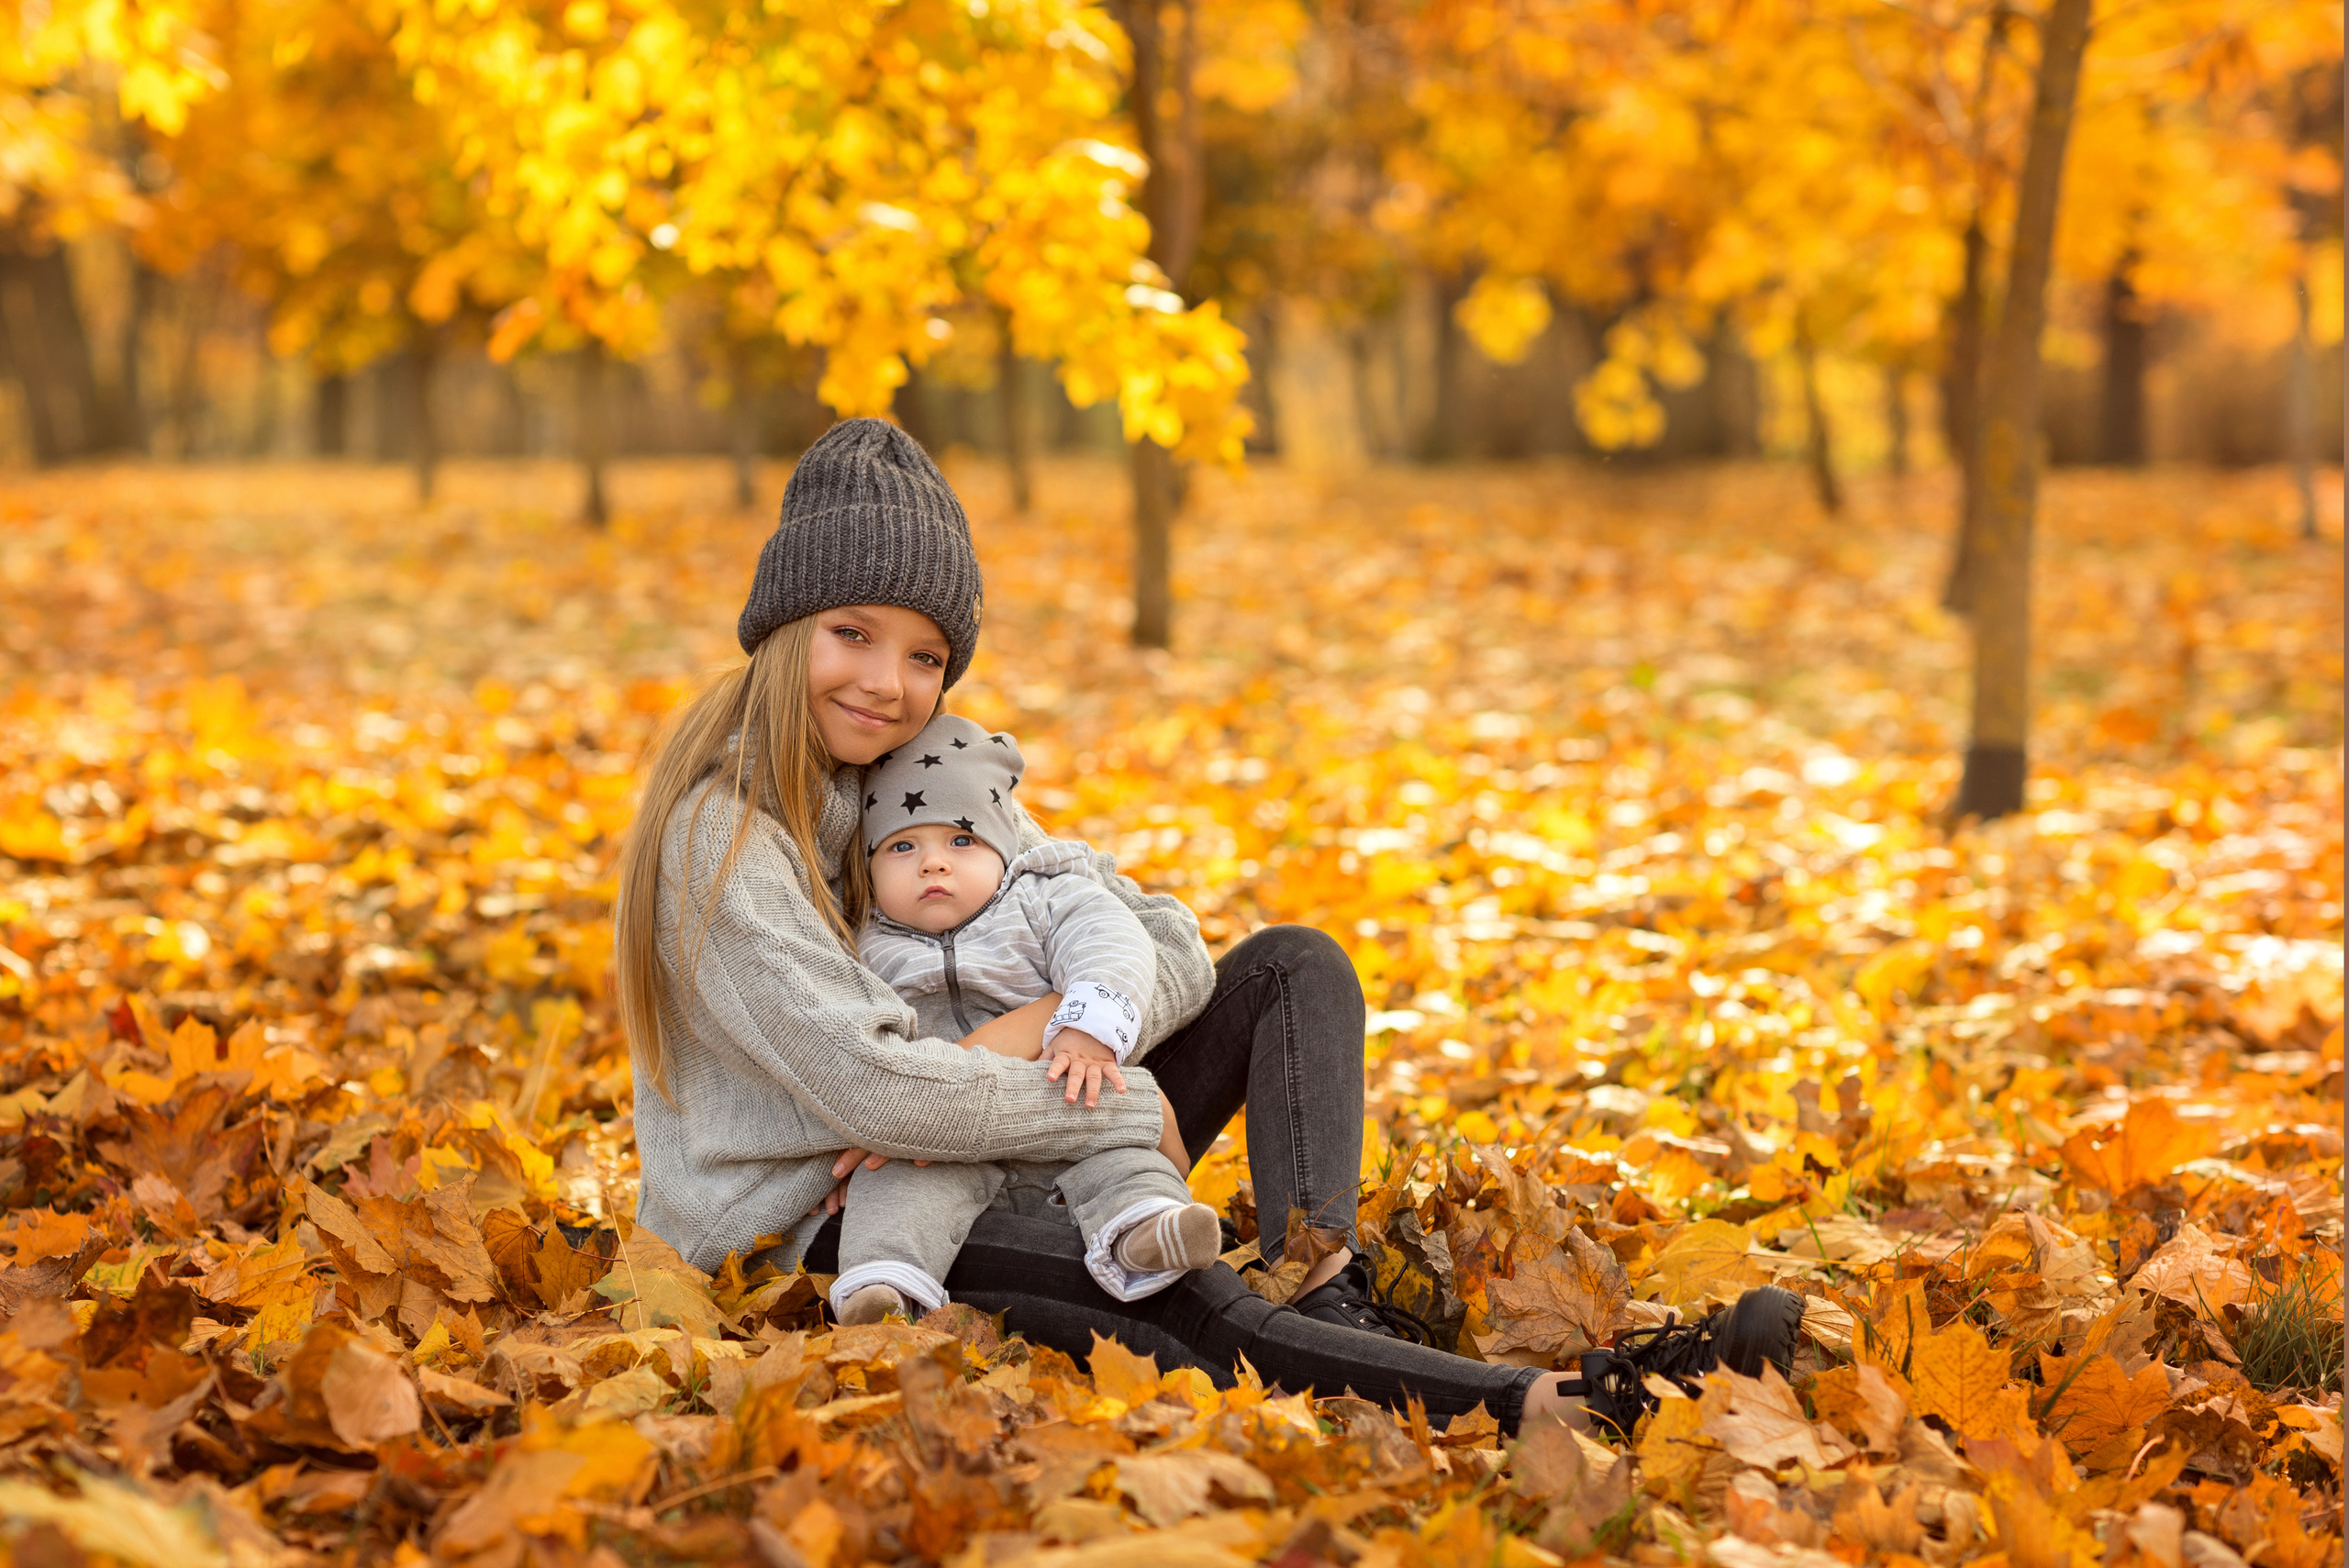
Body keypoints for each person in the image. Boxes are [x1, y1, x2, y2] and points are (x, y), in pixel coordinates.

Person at [616, 416, 1804, 1438]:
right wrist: (1107, 1094)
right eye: (853, 633)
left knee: (1292, 969)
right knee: (1173, 1300)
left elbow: (1147, 933)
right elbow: (875, 1095)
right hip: (814, 1227)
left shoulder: (914, 775)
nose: (890, 680)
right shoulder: (720, 837)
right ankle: (1575, 1399)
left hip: (986, 1130)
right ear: (785, 628)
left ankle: (1324, 1294)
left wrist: (1055, 1019)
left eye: (926, 653)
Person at [828, 711, 1219, 1325]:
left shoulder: (1041, 897)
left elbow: (1114, 938)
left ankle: (1149, 1229)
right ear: (870, 867)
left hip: (1055, 1091)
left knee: (1122, 1149)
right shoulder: (862, 941)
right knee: (895, 1184)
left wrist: (1087, 1024)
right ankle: (883, 1286)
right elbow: (843, 1029)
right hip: (940, 1137)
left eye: (961, 841)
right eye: (903, 846)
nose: (934, 863)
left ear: (1002, 848)